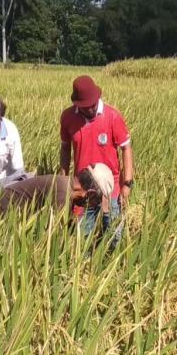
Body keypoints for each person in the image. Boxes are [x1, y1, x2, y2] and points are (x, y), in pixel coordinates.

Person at [59, 75, 134, 243]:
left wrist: (127, 183)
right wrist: (64, 179)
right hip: (83, 188)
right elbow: (65, 147)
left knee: (115, 236)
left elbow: (126, 148)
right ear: (76, 104)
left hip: (111, 186)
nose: (90, 109)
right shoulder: (68, 117)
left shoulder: (112, 116)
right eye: (85, 107)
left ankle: (113, 265)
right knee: (81, 239)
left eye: (92, 105)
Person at [0, 163, 114, 219]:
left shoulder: (65, 185)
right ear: (89, 193)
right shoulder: (62, 191)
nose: (91, 206)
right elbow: (57, 236)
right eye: (95, 202)